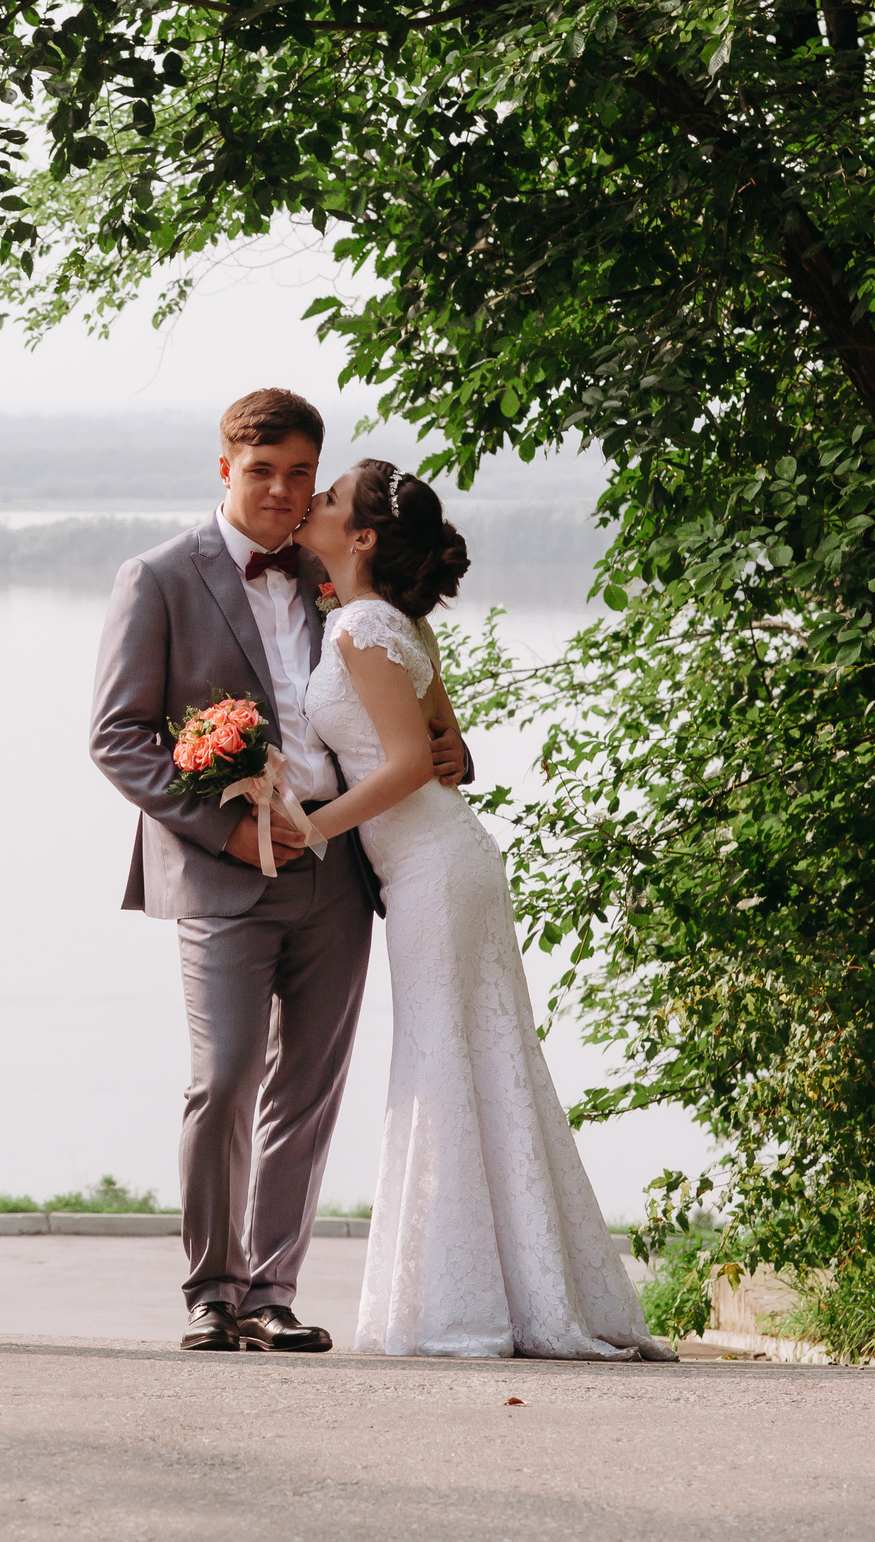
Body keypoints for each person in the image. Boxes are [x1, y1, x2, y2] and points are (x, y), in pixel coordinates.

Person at [89, 389, 471, 1354]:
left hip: (339, 875)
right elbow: (117, 737)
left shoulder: (333, 571)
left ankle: (271, 1291)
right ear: (225, 469)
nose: (284, 491)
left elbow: (404, 680)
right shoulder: (160, 576)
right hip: (222, 874)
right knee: (220, 1079)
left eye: (303, 473)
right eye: (263, 471)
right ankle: (210, 1292)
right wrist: (223, 833)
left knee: (306, 1085)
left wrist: (449, 745)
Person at [296, 458, 671, 1361]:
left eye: (330, 497)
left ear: (364, 537)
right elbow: (443, 740)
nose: (312, 500)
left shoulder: (360, 626)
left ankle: (464, 1303)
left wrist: (311, 829)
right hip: (443, 860)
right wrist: (451, 745)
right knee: (478, 1057)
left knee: (445, 1061)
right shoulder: (386, 621)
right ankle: (514, 1290)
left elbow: (408, 764)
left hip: (431, 864)